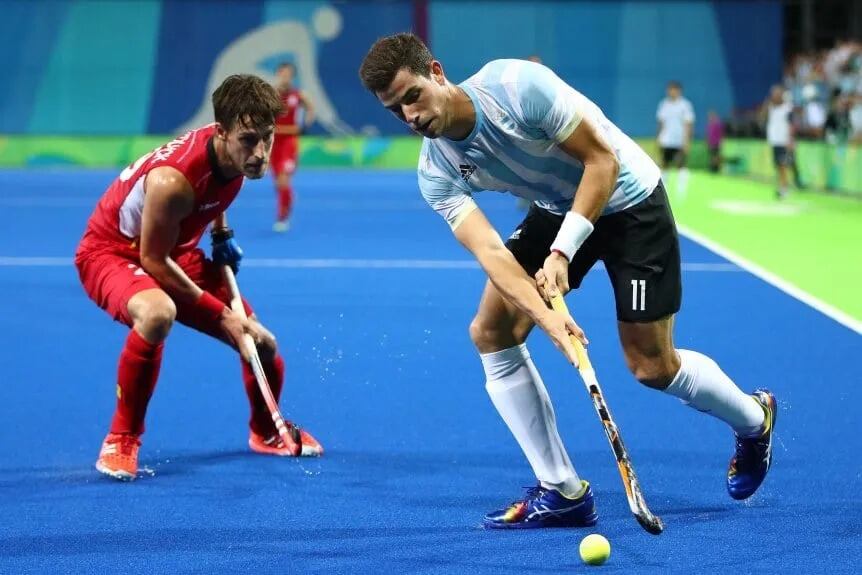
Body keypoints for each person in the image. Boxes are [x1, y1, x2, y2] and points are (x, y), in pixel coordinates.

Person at [359, 33, 777, 529]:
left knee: (651, 366)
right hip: (556, 207)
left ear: (436, 71)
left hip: (628, 200)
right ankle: (562, 490)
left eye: (412, 96)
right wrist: (547, 318)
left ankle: (754, 419)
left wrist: (562, 252)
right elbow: (493, 254)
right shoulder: (435, 171)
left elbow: (602, 161)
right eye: (395, 111)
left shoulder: (515, 86)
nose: (410, 117)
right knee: (491, 330)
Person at [75, 74, 323, 482]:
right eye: (249, 140)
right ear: (221, 132)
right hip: (114, 253)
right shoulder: (173, 182)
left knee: (260, 343)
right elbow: (152, 259)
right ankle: (121, 438)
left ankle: (266, 433)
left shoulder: (233, 152)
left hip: (175, 251)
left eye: (267, 138)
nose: (260, 153)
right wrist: (221, 315)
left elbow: (216, 190)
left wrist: (221, 232)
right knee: (158, 313)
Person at [271, 62, 315, 232]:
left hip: (289, 142)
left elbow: (311, 108)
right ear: (278, 74)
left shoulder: (298, 94)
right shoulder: (272, 95)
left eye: (289, 74)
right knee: (278, 182)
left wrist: (305, 126)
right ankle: (287, 195)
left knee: (283, 178)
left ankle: (282, 217)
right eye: (282, 73)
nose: (285, 77)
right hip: (274, 142)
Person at [656, 81, 695, 196]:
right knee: (664, 165)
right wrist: (658, 138)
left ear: (679, 91)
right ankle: (665, 190)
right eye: (669, 89)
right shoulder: (664, 104)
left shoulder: (685, 105)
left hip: (679, 141)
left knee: (681, 165)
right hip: (666, 140)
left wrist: (687, 141)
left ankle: (681, 190)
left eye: (674, 89)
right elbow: (661, 123)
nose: (671, 92)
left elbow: (688, 124)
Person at [762, 85, 795, 199]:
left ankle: (785, 189)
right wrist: (766, 104)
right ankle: (781, 187)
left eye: (777, 93)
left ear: (781, 94)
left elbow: (791, 125)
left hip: (783, 141)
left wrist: (790, 140)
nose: (774, 96)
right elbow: (762, 117)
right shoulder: (771, 107)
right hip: (774, 141)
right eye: (773, 93)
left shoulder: (787, 108)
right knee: (778, 166)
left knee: (783, 166)